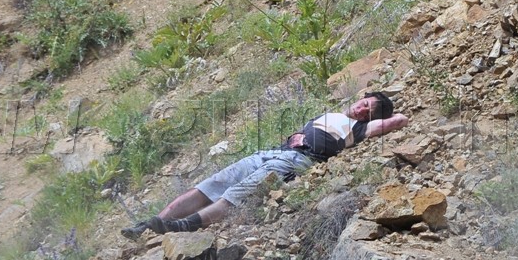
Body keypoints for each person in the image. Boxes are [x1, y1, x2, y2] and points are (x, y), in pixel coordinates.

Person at [121, 92, 409, 238]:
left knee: (237, 194)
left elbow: (401, 121)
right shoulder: (335, 114)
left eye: (367, 110)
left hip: (297, 160)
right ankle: (150, 225)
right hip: (271, 151)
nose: (361, 108)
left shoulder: (360, 129)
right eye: (364, 102)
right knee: (210, 185)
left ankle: (183, 226)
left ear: (370, 119)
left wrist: (374, 120)